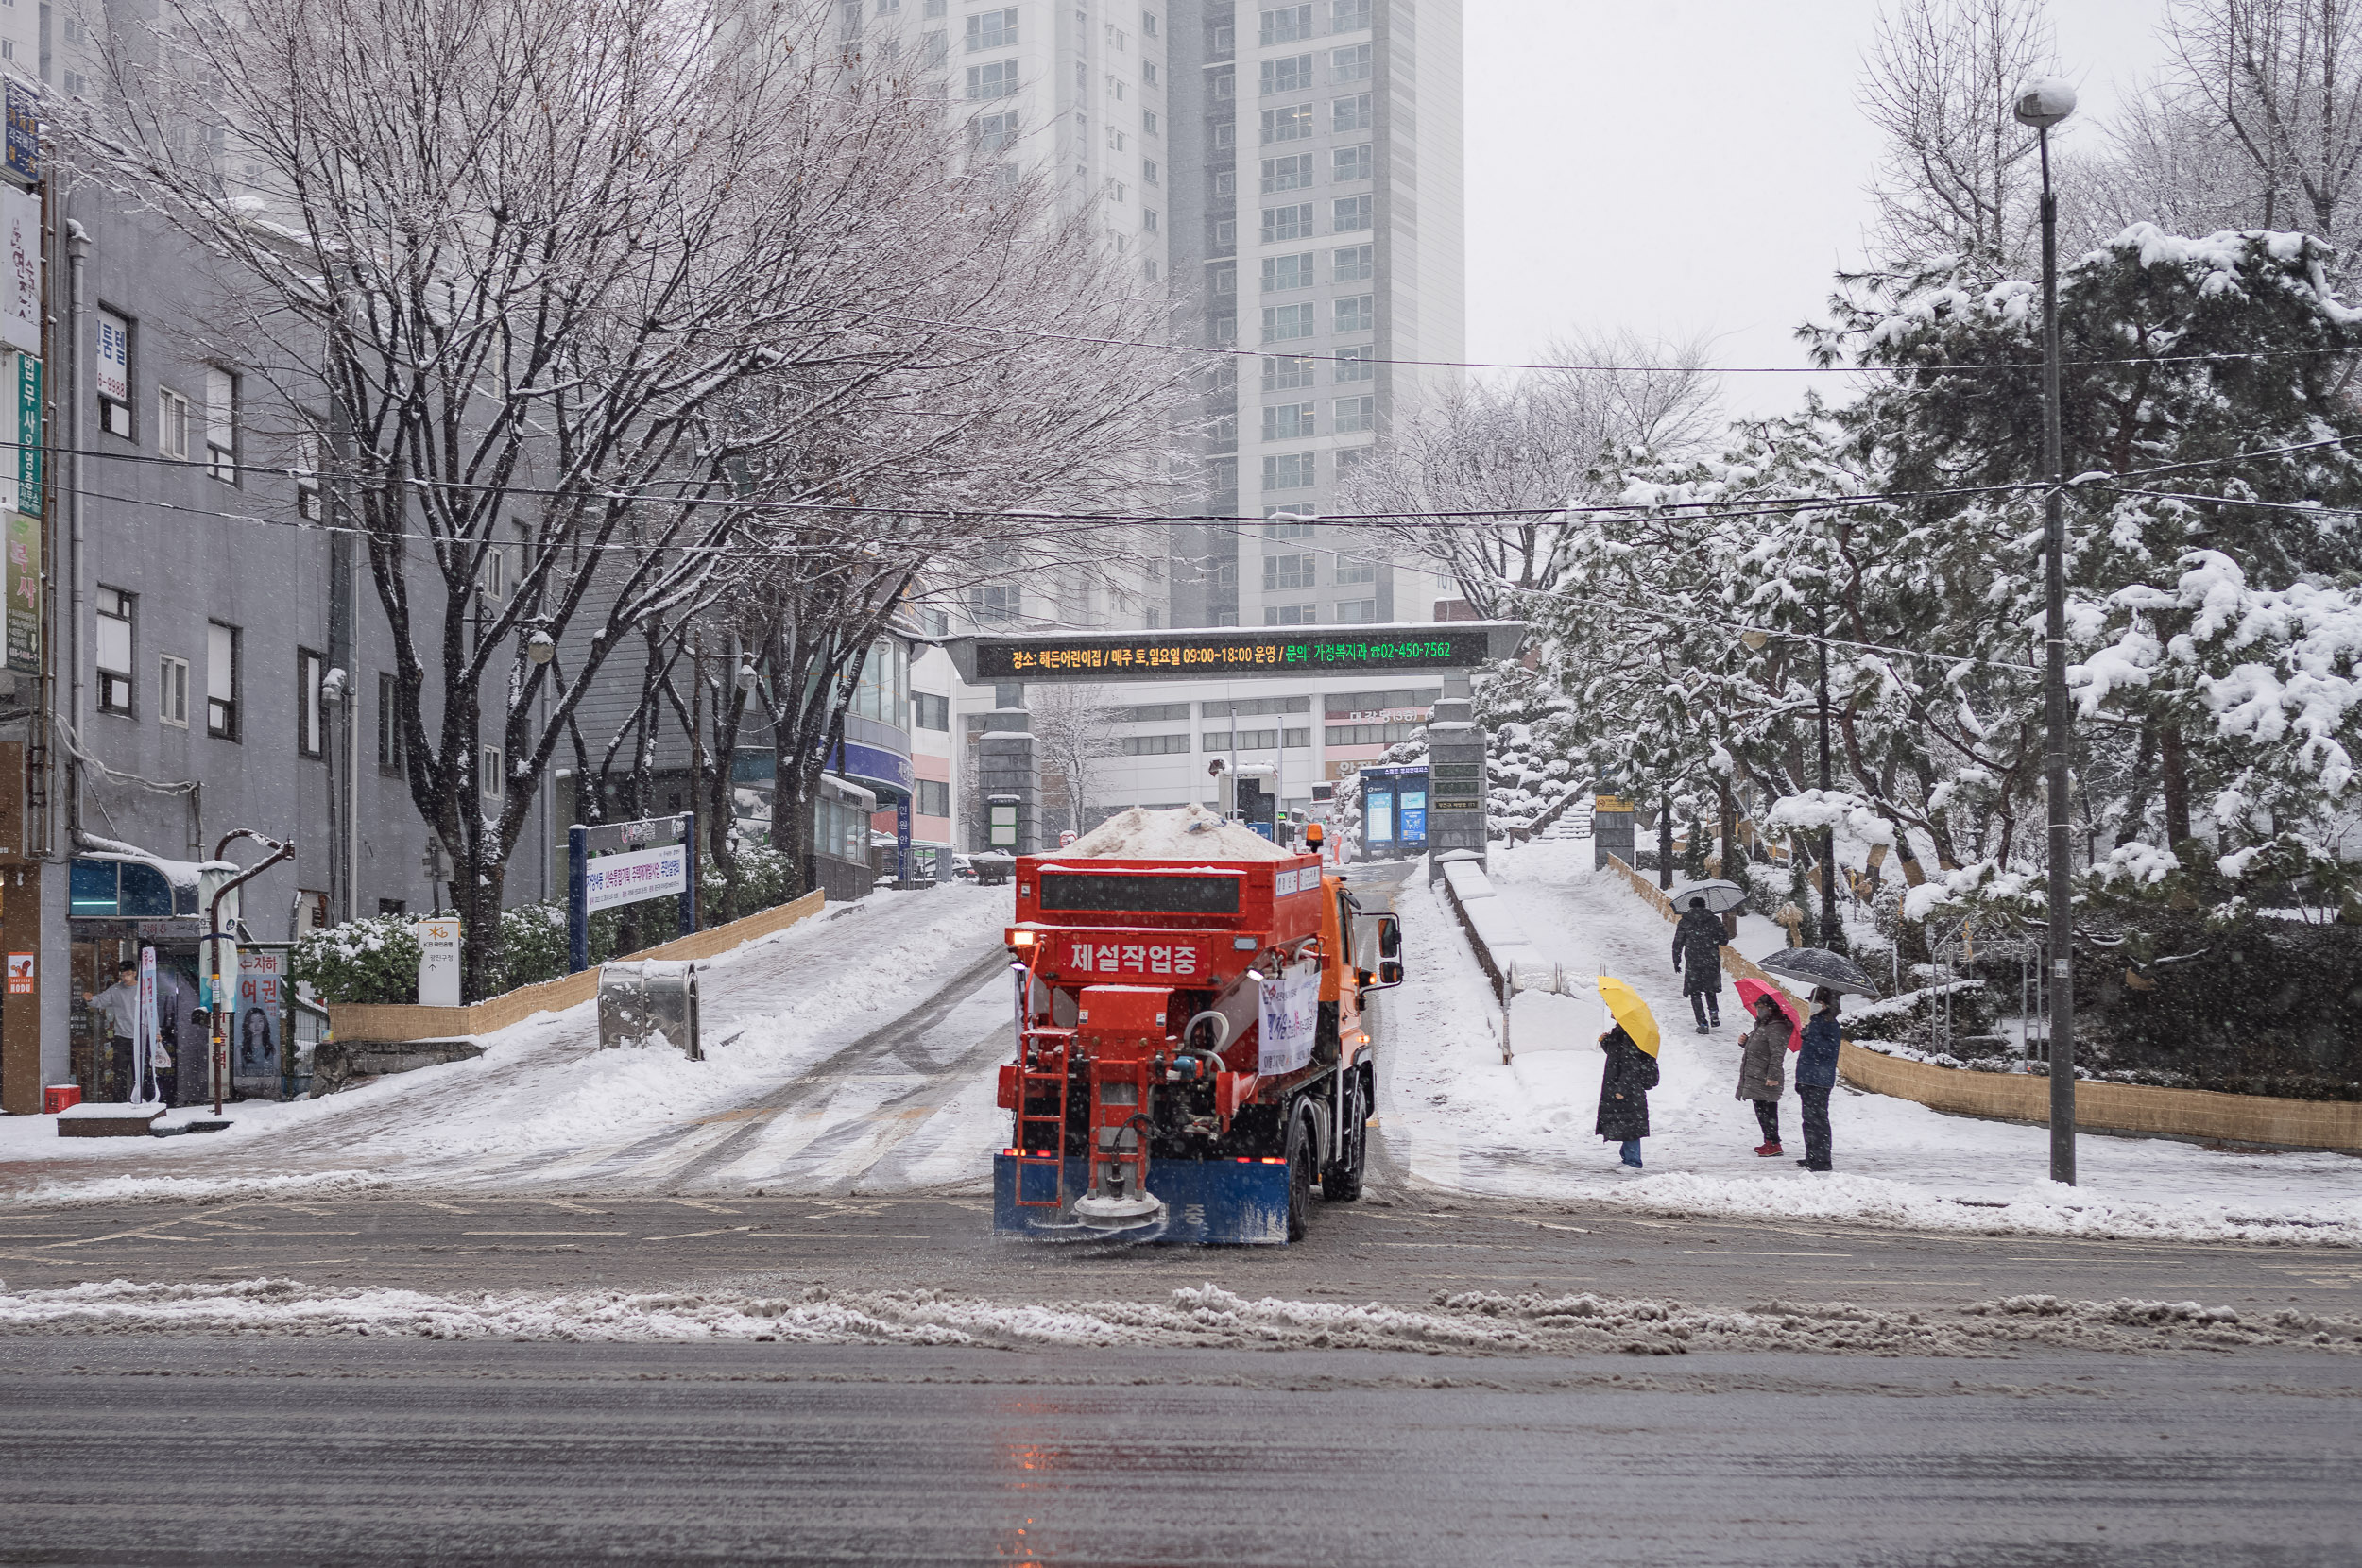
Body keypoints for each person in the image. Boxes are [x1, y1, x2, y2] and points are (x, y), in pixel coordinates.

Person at [1595, 1022, 1659, 1170]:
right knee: (1626, 1122)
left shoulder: (1630, 1034)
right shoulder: (1622, 1031)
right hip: (1624, 1084)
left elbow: (1630, 1065)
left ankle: (1633, 1162)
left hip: (1628, 1087)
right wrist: (1605, 1041)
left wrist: (1622, 1089)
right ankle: (1627, 1158)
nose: (1611, 1011)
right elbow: (1617, 1055)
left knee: (1630, 1125)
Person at [1796, 986, 1842, 1172]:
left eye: (1817, 1002)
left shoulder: (1831, 1025)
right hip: (1808, 1078)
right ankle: (1812, 1155)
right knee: (1808, 1119)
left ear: (1826, 1004)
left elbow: (1828, 1051)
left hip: (1819, 1080)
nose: (1812, 1005)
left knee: (1818, 1119)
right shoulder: (1815, 1022)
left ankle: (1823, 1159)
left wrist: (1811, 1036)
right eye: (1811, 1001)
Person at [1736, 992, 1789, 1156]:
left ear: (1771, 1008)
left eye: (1761, 1007)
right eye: (1757, 1007)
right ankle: (1769, 1141)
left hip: (1766, 1077)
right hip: (1756, 1075)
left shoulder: (1776, 1027)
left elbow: (1777, 1054)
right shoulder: (1762, 1025)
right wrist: (1745, 1044)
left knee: (1768, 1110)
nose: (1759, 1010)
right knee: (1761, 1110)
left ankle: (1774, 1143)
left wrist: (1772, 1076)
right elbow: (1760, 1050)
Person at [83, 961, 141, 1102]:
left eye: (128, 974)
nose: (125, 978)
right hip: (122, 1037)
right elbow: (100, 1000)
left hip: (141, 1038)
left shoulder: (143, 989)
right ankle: (119, 1105)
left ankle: (141, 1103)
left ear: (134, 973)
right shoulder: (115, 990)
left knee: (140, 1075)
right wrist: (90, 1000)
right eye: (123, 975)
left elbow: (152, 1013)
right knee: (119, 1074)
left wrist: (156, 1031)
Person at [1671, 895, 1724, 1032]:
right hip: (1711, 961)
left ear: (1690, 907)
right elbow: (1724, 940)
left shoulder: (1685, 922)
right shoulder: (1714, 920)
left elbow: (1678, 943)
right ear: (1704, 906)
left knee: (1695, 993)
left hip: (1693, 963)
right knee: (1710, 989)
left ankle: (1703, 1024)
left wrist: (1676, 961)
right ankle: (1713, 1013)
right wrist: (1713, 939)